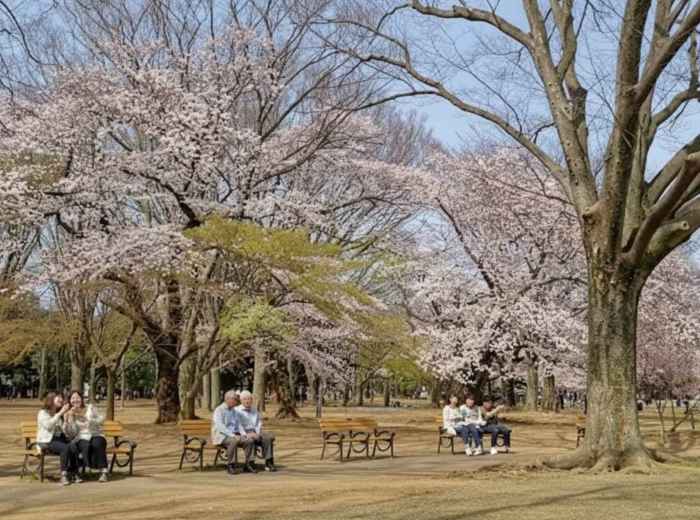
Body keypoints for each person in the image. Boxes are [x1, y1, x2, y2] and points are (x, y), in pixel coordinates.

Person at [64, 391, 110, 482]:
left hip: (95, 433)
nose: (75, 400)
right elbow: (72, 433)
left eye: (77, 397)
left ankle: (103, 472)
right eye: (72, 398)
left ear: (82, 398)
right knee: (85, 445)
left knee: (98, 443)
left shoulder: (90, 407)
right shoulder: (70, 413)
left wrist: (88, 418)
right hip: (81, 437)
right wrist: (71, 420)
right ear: (69, 401)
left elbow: (102, 419)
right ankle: (81, 469)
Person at [36, 392, 79, 485]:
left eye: (61, 398)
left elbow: (63, 432)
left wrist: (67, 420)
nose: (61, 399)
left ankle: (73, 473)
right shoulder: (42, 413)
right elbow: (48, 425)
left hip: (58, 440)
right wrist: (60, 413)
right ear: (51, 399)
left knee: (73, 447)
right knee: (64, 448)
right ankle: (63, 475)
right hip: (46, 441)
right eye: (58, 397)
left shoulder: (58, 414)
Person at [212, 390, 253, 475]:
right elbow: (220, 426)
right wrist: (233, 435)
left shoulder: (234, 411)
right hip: (221, 436)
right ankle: (231, 465)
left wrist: (244, 434)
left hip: (234, 435)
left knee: (249, 441)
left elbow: (239, 425)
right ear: (227, 399)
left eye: (236, 399)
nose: (236, 401)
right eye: (234, 399)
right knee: (233, 441)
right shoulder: (219, 410)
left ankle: (247, 464)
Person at [236, 390, 276, 472]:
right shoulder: (237, 410)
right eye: (245, 399)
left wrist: (257, 433)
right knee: (250, 440)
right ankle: (250, 463)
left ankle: (269, 462)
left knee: (267, 438)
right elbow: (238, 425)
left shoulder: (254, 410)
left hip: (255, 432)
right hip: (243, 433)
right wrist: (246, 434)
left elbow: (258, 423)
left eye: (249, 399)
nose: (247, 401)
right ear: (241, 400)